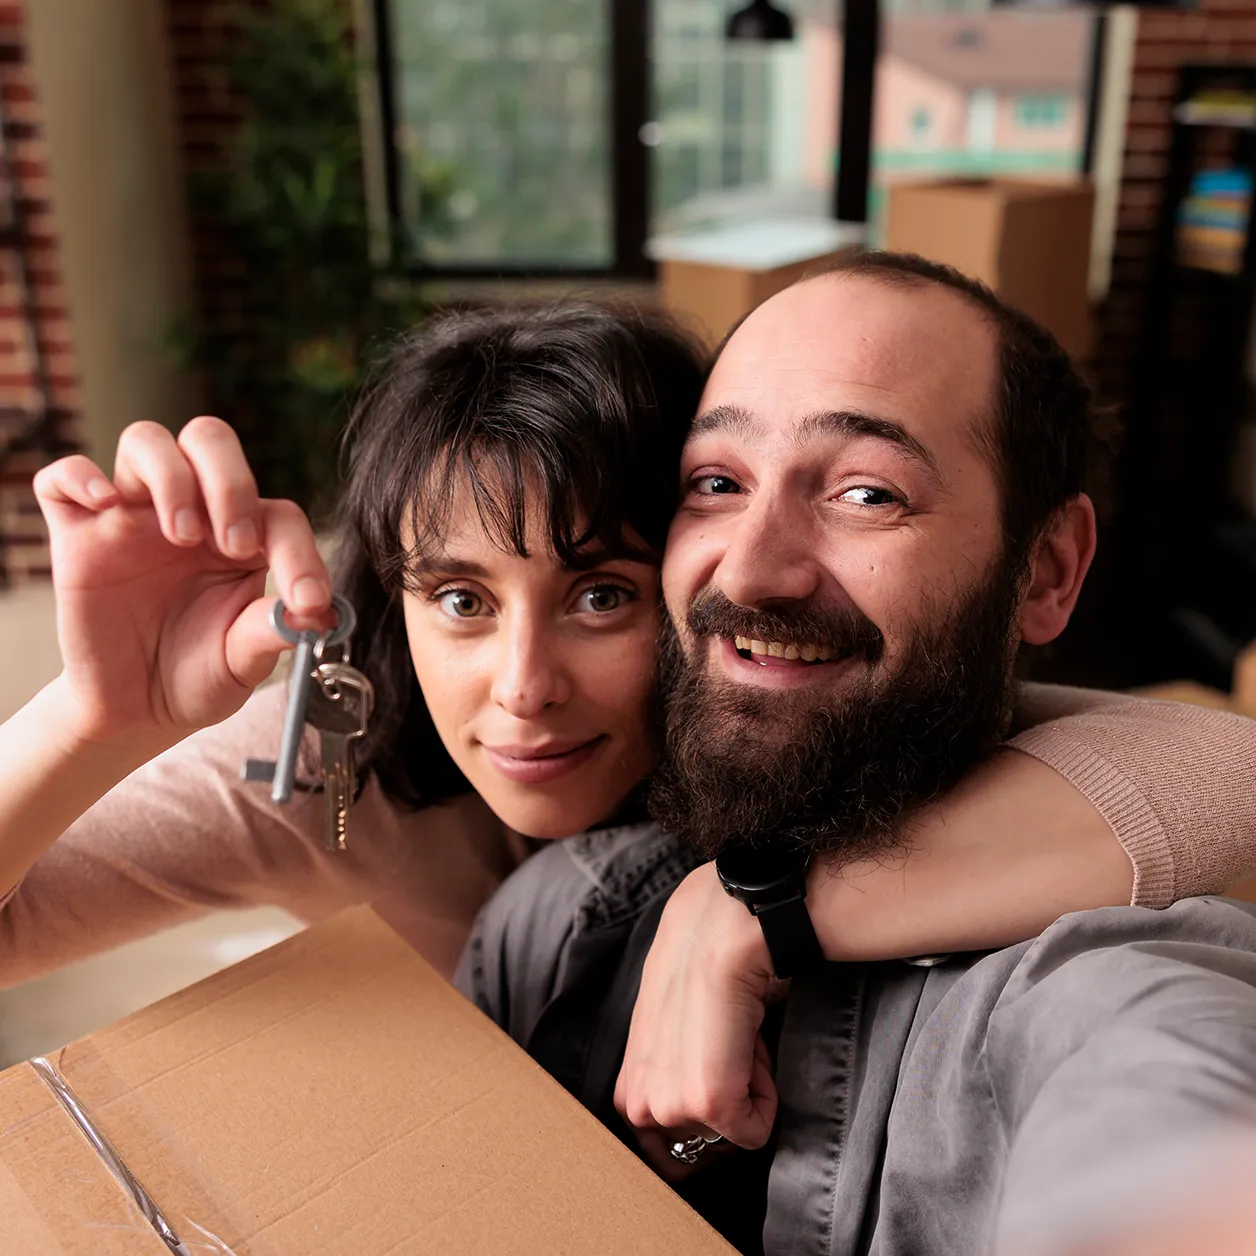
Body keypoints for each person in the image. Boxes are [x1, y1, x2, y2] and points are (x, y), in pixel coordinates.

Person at [0, 300, 1252, 1159]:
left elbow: (1220, 770)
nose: (523, 685)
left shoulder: (778, 702)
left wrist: (745, 905)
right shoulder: (331, 764)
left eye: (600, 593)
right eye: (460, 598)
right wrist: (98, 716)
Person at [457, 255, 1256, 1256]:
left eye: (867, 493)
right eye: (715, 482)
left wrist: (762, 912)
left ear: (1045, 571)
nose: (748, 567)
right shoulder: (558, 912)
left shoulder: (1095, 997)